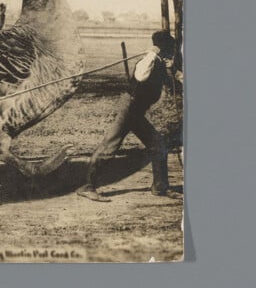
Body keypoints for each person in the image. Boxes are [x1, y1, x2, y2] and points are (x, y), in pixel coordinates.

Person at [76, 30, 184, 202]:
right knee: (110, 146)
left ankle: (160, 187)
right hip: (129, 108)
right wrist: (151, 54)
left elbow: (179, 81)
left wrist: (173, 70)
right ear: (162, 49)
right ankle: (87, 187)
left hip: (137, 111)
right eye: (170, 49)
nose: (172, 53)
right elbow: (140, 76)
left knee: (158, 144)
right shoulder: (147, 61)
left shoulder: (161, 65)